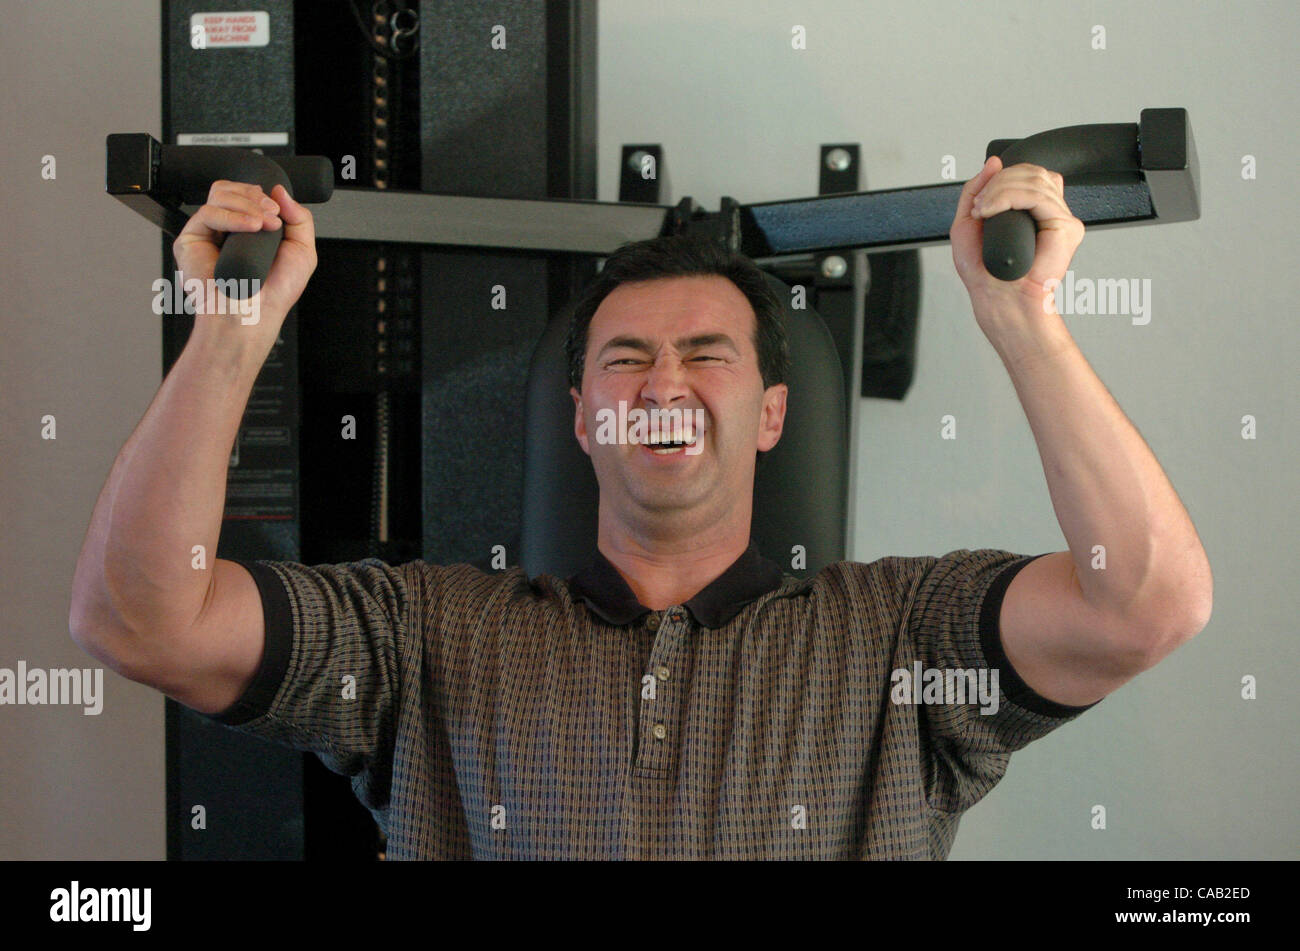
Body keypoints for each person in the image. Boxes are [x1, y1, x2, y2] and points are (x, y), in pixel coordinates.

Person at [69, 157, 1212, 859]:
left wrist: (1021, 321)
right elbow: (140, 624)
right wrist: (232, 329)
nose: (661, 385)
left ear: (770, 414)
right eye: (624, 360)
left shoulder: (899, 640)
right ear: (579, 418)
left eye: (703, 355)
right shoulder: (424, 641)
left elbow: (1145, 606)